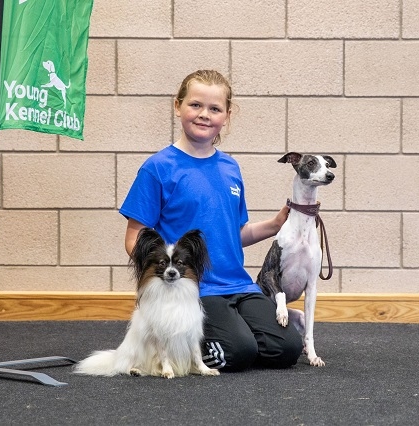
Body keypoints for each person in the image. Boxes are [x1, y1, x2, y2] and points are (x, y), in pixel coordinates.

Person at [119, 69, 303, 372]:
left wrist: (275, 224)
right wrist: (166, 276)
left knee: (287, 349)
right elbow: (133, 239)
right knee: (240, 351)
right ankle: (180, 347)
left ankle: (232, 336)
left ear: (226, 115)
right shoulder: (157, 168)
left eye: (215, 108)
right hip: (195, 289)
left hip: (240, 285)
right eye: (195, 105)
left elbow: (236, 233)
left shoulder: (230, 167)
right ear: (177, 106)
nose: (204, 114)